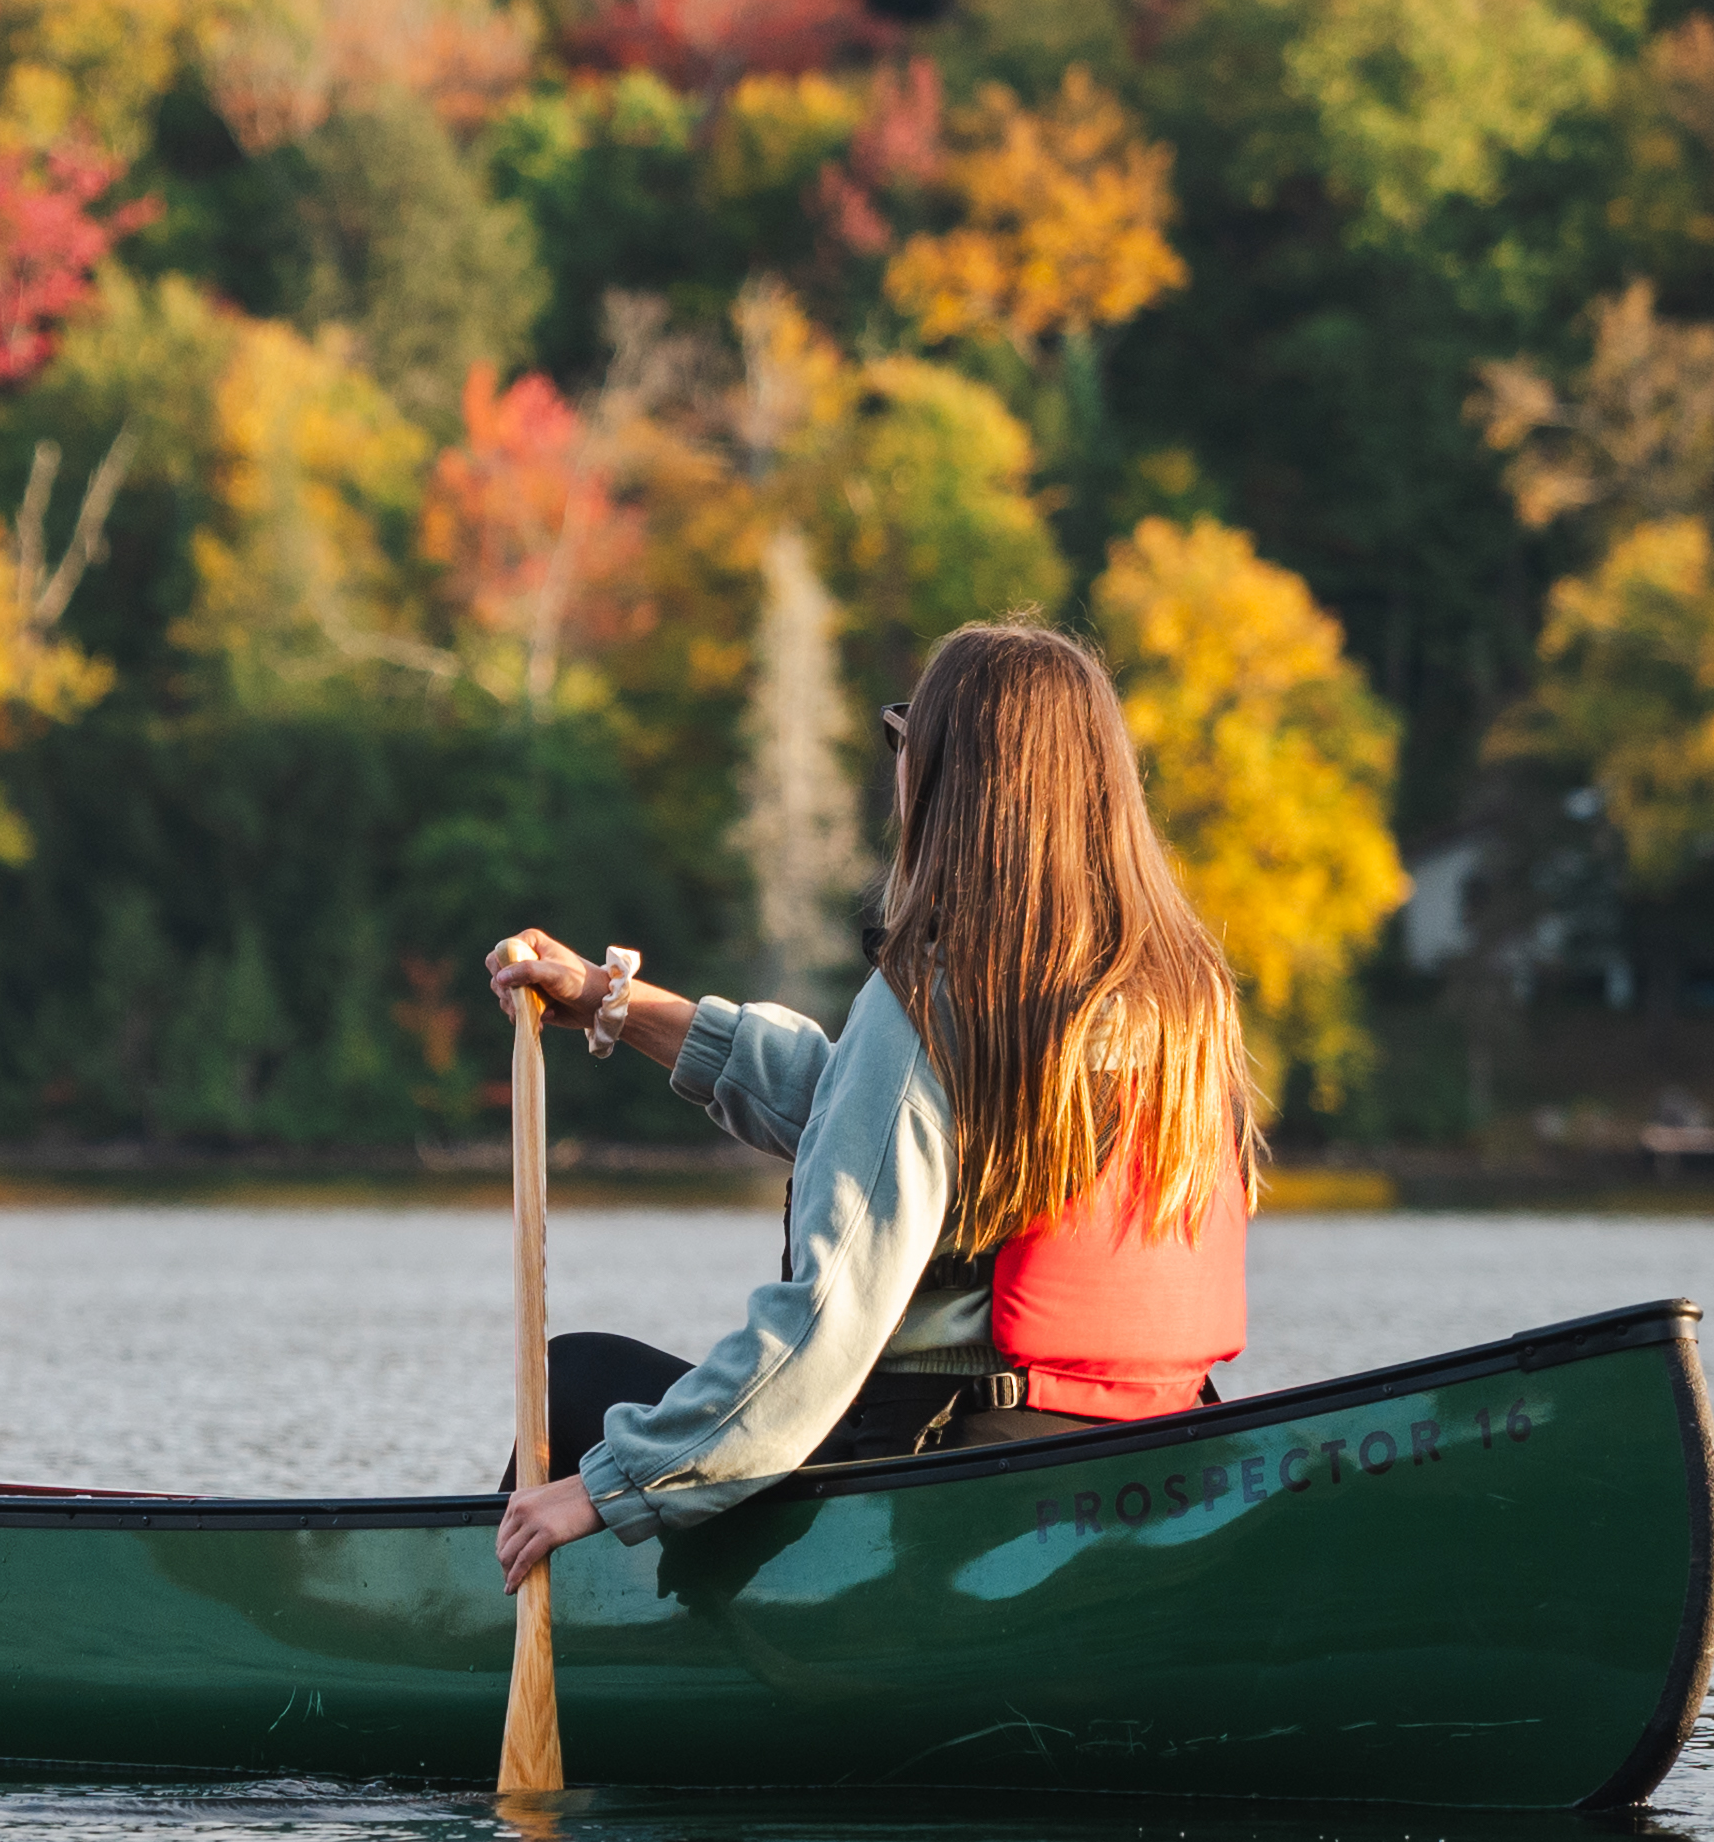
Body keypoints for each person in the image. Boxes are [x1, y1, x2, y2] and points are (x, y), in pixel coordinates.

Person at [475, 617, 1254, 1585]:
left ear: (944, 775)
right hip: (1136, 1464)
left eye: (904, 739)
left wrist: (615, 1483)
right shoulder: (1177, 997)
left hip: (939, 1479)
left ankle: (465, 1635)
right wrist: (616, 1002)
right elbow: (868, 1114)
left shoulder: (938, 992)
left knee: (580, 1380)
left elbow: (832, 1314)